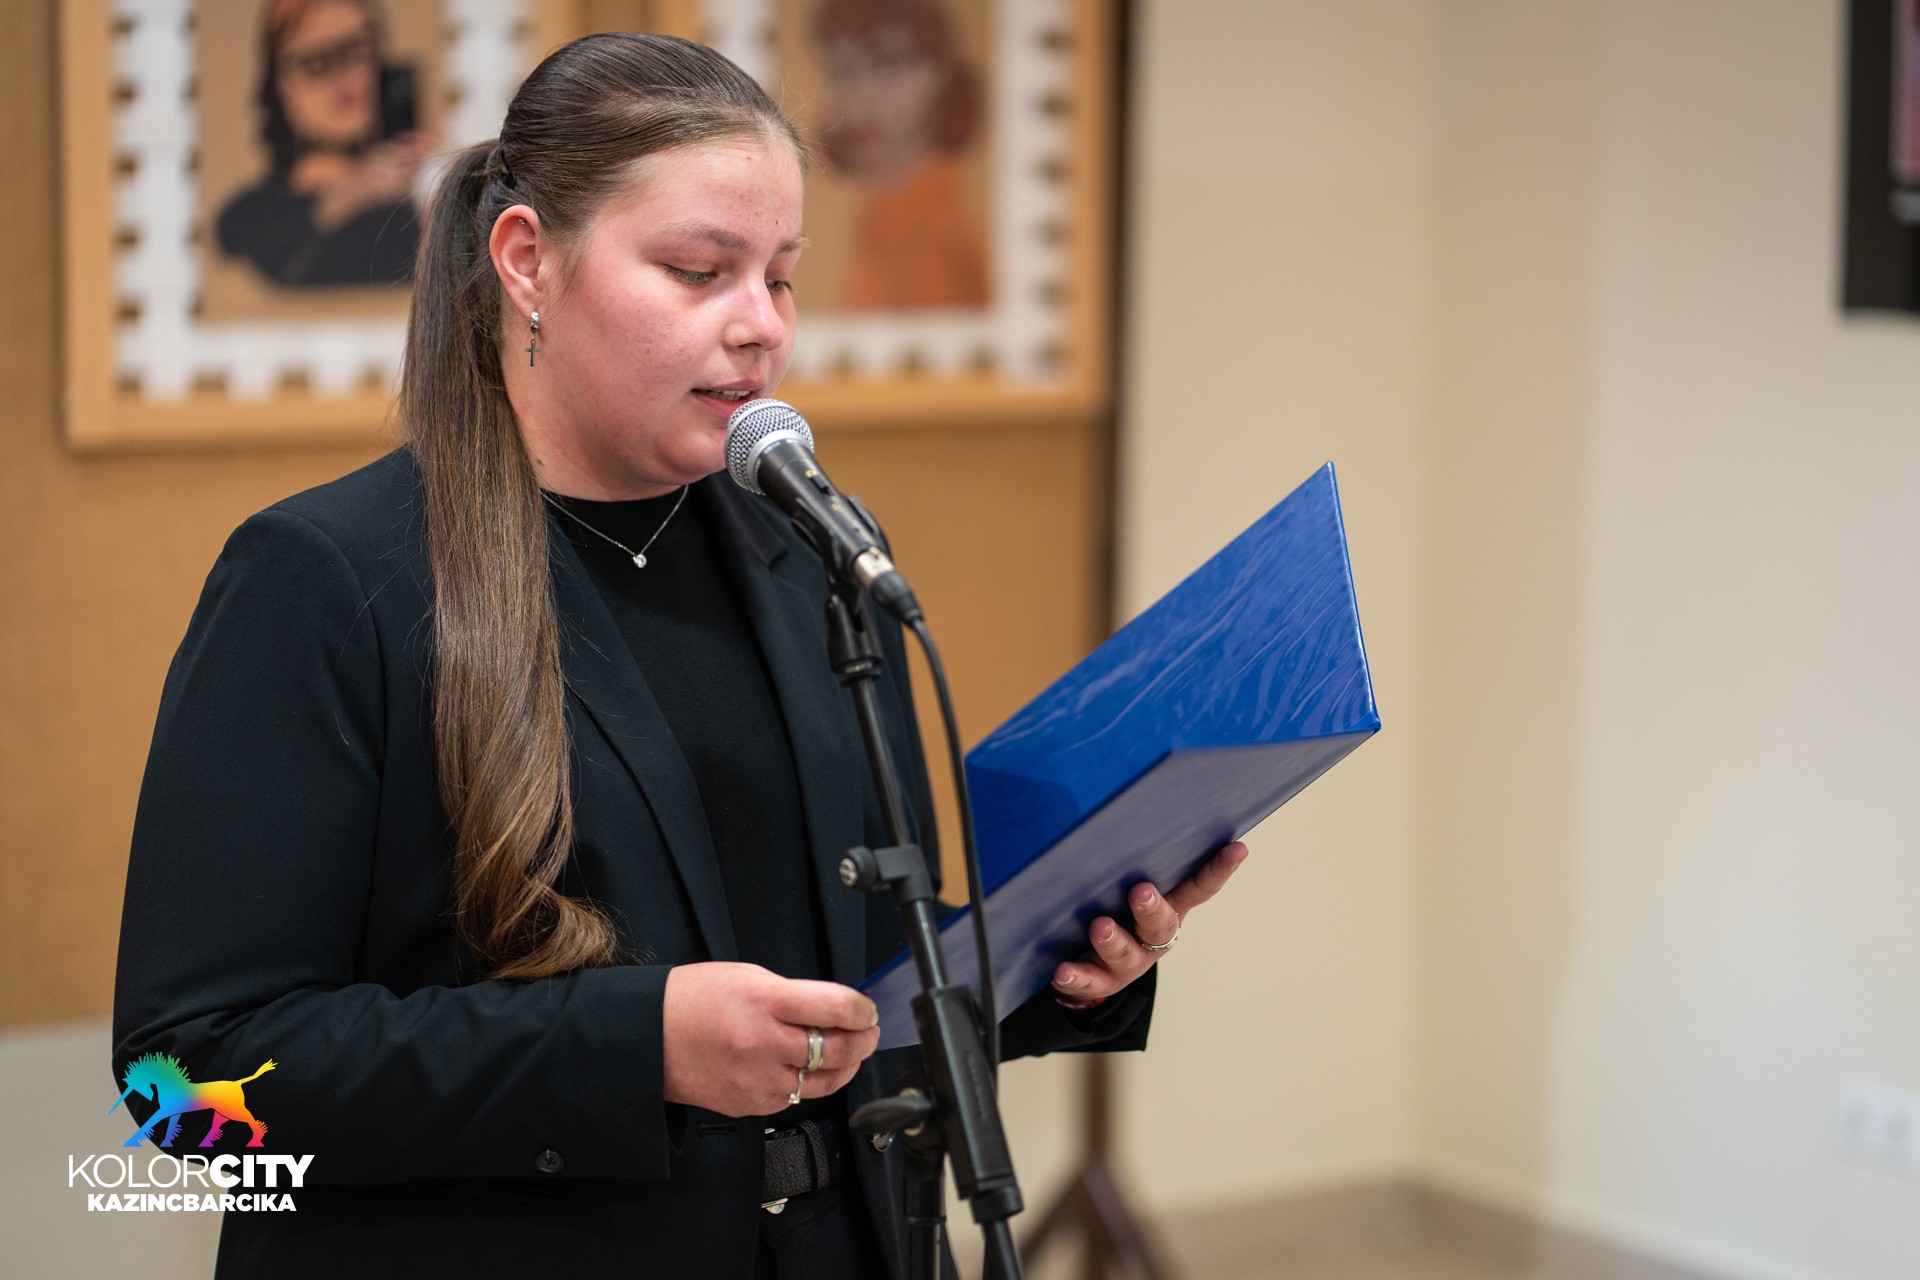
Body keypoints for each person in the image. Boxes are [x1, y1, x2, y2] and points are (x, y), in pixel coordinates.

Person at [114, 32, 1246, 1278]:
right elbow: (183, 1080)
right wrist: (634, 1045)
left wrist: (1069, 963)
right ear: (528, 260)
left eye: (782, 277)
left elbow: (868, 975)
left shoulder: (813, 548)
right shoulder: (326, 579)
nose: (761, 326)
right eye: (699, 271)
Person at [215, 0, 431, 287]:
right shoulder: (254, 213)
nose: (346, 77)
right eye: (318, 62)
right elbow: (270, 259)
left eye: (357, 51)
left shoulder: (408, 206)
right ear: (280, 82)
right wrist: (352, 193)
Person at [814, 0, 991, 310]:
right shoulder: (885, 214)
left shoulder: (933, 235)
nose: (860, 94)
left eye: (887, 65)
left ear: (942, 76)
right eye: (843, 71)